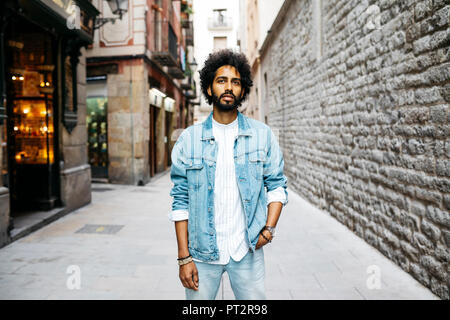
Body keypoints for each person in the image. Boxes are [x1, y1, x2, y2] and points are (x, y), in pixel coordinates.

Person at [169, 49, 288, 300]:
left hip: (246, 251)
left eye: (236, 82)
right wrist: (183, 258)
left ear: (243, 91)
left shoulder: (262, 135)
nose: (228, 87)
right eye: (221, 80)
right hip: (201, 254)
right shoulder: (189, 140)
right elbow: (180, 201)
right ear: (210, 88)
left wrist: (269, 230)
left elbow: (277, 185)